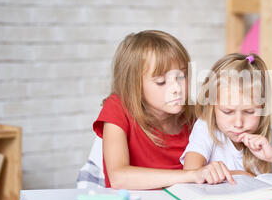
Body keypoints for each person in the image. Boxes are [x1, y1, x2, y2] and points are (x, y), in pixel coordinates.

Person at [92, 30, 226, 189]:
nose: (177, 88)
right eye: (161, 81)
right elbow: (118, 178)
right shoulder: (118, 108)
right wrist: (192, 175)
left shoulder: (194, 116)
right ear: (134, 86)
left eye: (181, 76)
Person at [181, 53, 272, 184]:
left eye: (249, 112)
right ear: (211, 106)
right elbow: (191, 173)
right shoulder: (206, 129)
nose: (238, 123)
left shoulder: (270, 140)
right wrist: (240, 175)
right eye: (228, 112)